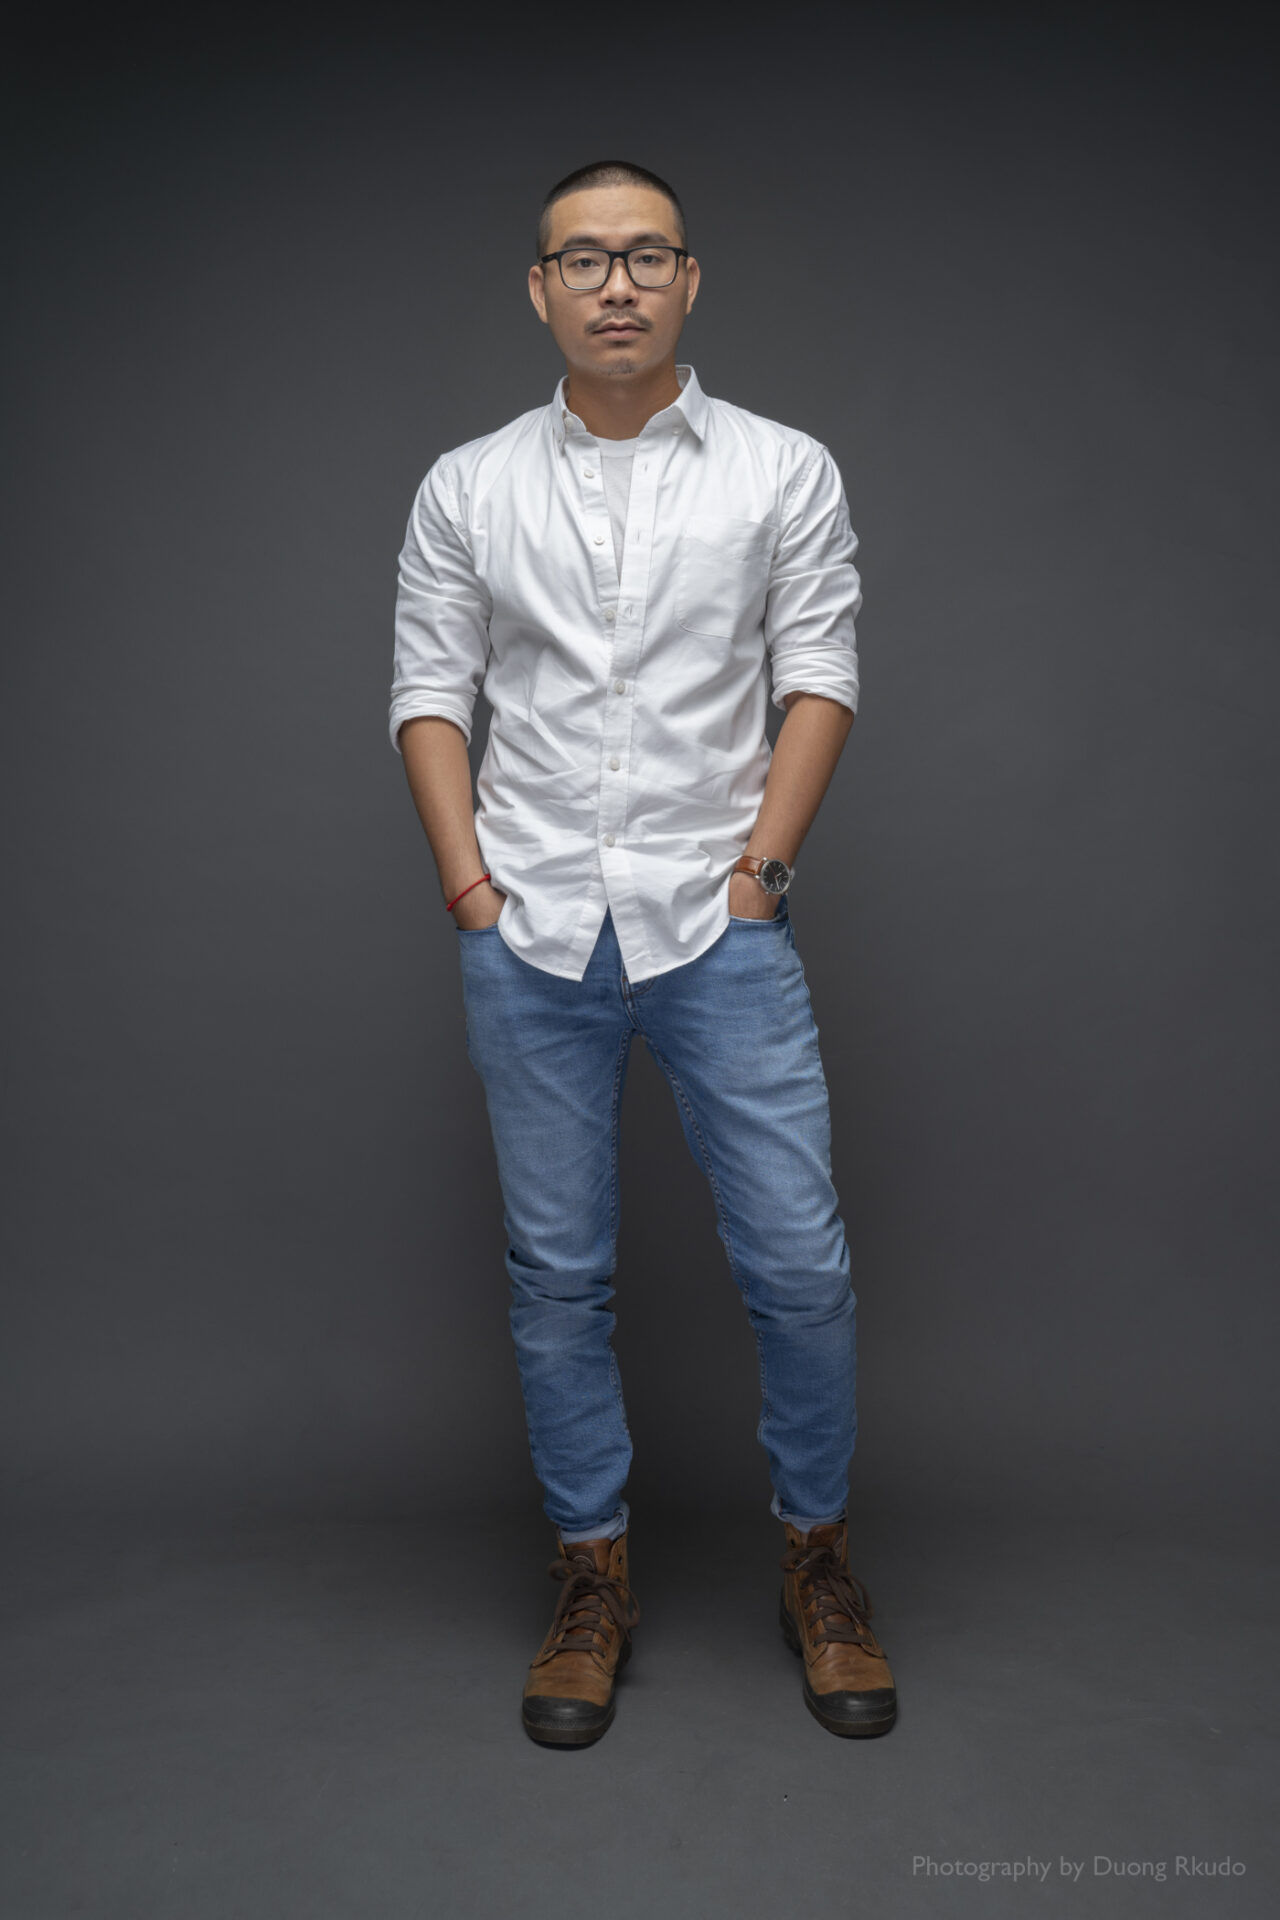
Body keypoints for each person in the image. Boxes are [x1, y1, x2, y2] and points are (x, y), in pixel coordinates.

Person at [389, 159, 897, 1747]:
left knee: (798, 1264)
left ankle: (817, 1559)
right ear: (540, 290)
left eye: (647, 255)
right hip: (530, 927)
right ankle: (590, 1573)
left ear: (690, 280)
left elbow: (819, 672)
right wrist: (470, 889)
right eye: (584, 259)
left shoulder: (782, 468)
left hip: (715, 923)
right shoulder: (468, 485)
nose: (617, 283)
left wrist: (760, 876)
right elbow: (431, 691)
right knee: (559, 1275)